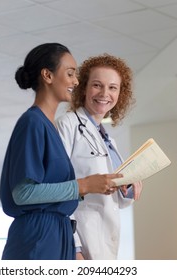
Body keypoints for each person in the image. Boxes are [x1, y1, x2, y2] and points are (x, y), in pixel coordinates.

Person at [0, 43, 123, 260]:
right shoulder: (32, 123)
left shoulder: (48, 126)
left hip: (58, 233)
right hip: (39, 237)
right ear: (47, 75)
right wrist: (84, 185)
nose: (76, 81)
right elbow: (23, 193)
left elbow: (57, 191)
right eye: (70, 73)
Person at [56, 54, 143, 260]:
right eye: (97, 85)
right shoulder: (67, 125)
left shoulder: (106, 138)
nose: (105, 93)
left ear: (120, 93)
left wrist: (128, 188)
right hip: (80, 244)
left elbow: (115, 202)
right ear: (84, 87)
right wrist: (74, 248)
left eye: (113, 87)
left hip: (105, 243)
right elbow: (57, 189)